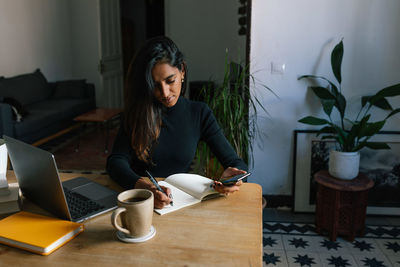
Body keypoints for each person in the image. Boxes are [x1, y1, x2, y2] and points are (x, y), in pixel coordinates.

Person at [106, 36, 248, 209]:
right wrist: (146, 188)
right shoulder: (138, 113)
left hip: (178, 204)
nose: (165, 93)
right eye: (155, 85)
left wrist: (232, 178)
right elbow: (115, 162)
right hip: (139, 201)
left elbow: (237, 163)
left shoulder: (199, 113)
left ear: (182, 71)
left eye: (170, 80)